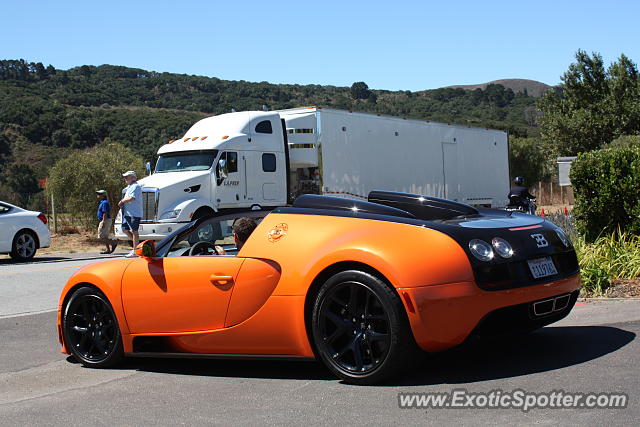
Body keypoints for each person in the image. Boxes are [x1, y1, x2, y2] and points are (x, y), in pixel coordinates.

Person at [118, 170, 143, 257]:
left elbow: (132, 198)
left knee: (134, 231)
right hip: (127, 213)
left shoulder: (136, 186)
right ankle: (138, 246)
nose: (125, 178)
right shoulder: (130, 186)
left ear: (133, 178)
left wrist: (122, 201)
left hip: (133, 213)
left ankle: (136, 251)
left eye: (127, 177)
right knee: (125, 229)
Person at [96, 190, 118, 254]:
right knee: (105, 236)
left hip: (105, 220)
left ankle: (113, 243)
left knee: (101, 236)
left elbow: (105, 213)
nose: (98, 195)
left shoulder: (104, 203)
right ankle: (108, 250)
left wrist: (103, 222)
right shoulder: (103, 202)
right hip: (105, 220)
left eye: (99, 194)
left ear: (103, 196)